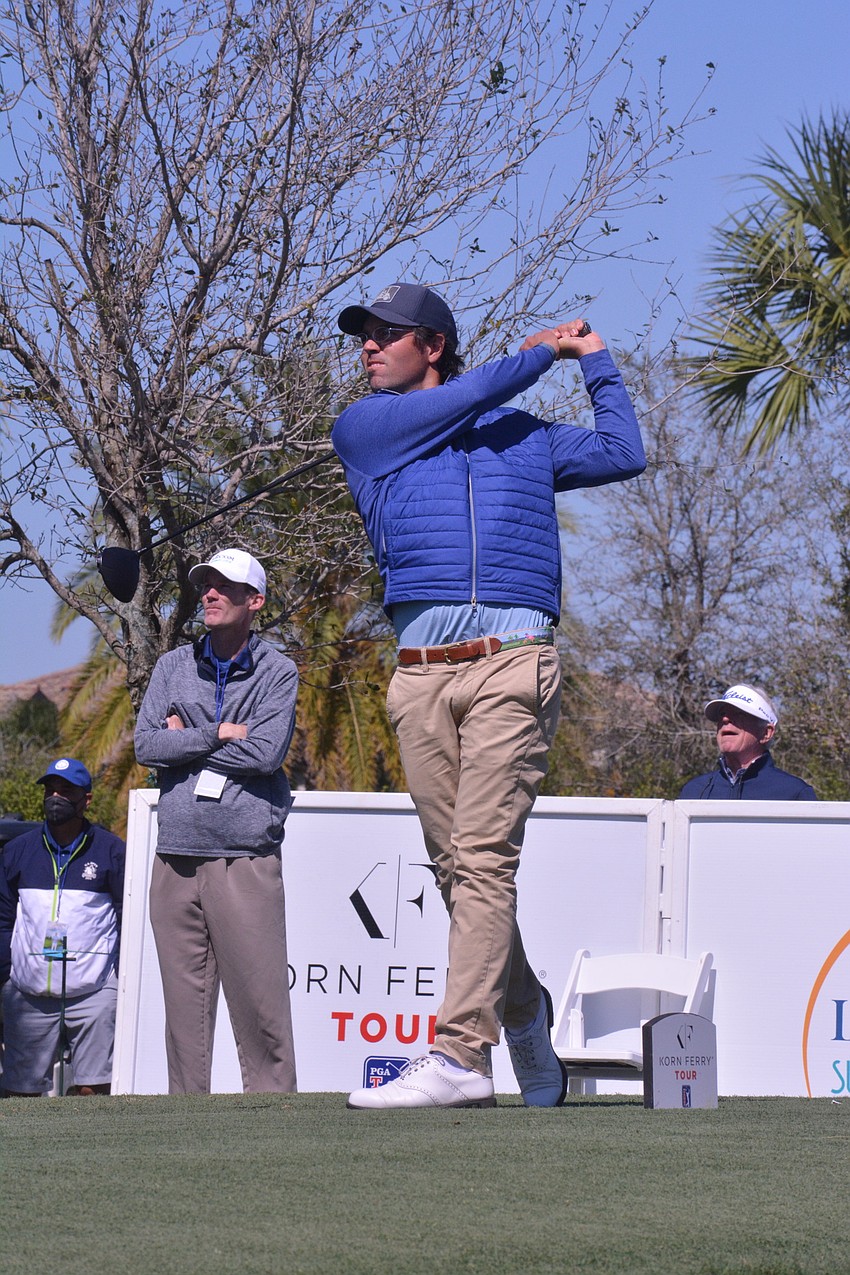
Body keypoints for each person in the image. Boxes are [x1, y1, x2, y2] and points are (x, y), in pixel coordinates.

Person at [332, 281, 646, 1109]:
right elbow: (476, 392)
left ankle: (461, 1057)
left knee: (481, 858)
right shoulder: (367, 430)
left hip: (514, 661)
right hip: (420, 673)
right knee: (456, 869)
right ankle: (522, 1006)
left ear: (431, 344)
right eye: (363, 335)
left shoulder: (526, 439)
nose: (368, 346)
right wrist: (543, 349)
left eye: (386, 334)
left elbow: (623, 450)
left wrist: (597, 360)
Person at [134, 547, 299, 1094]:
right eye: (205, 584)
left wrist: (183, 737)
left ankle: (277, 1125)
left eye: (223, 587)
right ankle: (185, 1126)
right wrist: (218, 733)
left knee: (262, 1010)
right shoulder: (170, 666)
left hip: (245, 856)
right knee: (183, 1017)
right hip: (175, 855)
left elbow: (266, 754)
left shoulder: (279, 670)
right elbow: (146, 745)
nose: (208, 594)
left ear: (255, 601)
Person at [0, 758, 125, 1096]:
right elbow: (3, 918)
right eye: (50, 790)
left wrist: (118, 974)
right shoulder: (17, 852)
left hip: (94, 992)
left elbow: (127, 915)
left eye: (66, 790)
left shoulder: (112, 851)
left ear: (86, 799)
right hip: (28, 994)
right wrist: (7, 974)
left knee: (95, 1091)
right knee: (18, 1095)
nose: (55, 797)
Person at [679, 684, 817, 800]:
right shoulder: (694, 791)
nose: (725, 719)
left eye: (739, 713)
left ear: (766, 733)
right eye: (722, 714)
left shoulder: (794, 793)